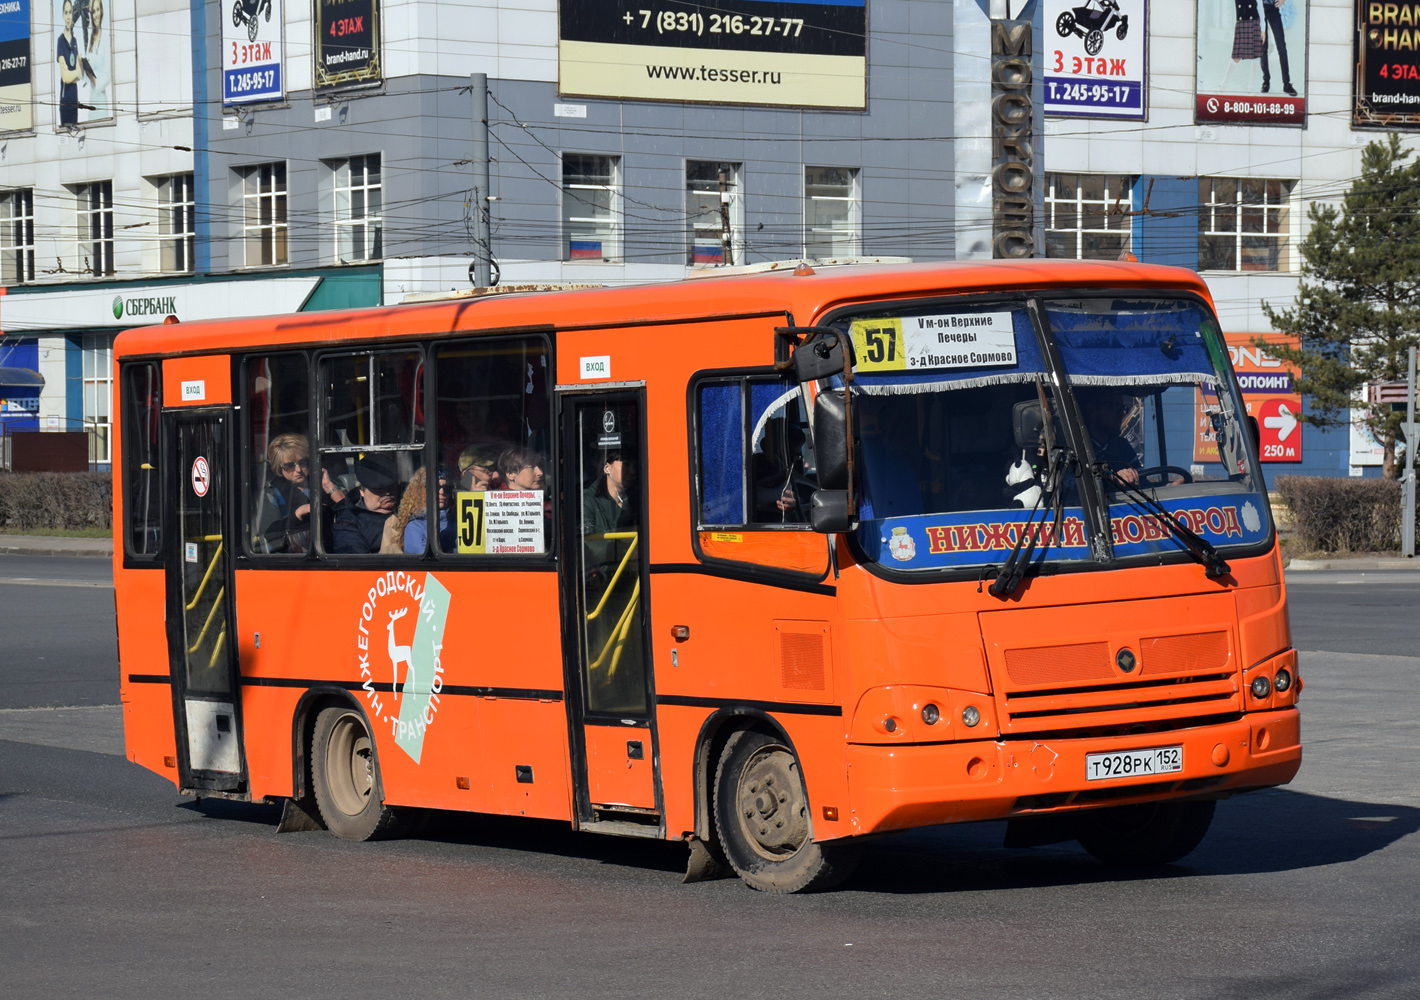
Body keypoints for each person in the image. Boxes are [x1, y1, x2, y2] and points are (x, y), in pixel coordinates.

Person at [257, 433, 314, 552]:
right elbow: (271, 536)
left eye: (303, 462)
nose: (298, 470)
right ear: (278, 468)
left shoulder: (322, 484)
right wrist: (297, 515)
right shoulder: (271, 496)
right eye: (289, 466)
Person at [333, 454, 401, 553]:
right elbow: (359, 564)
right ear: (362, 490)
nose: (387, 493)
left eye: (391, 487)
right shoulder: (348, 524)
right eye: (379, 490)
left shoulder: (412, 505)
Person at [1078, 388, 1142, 485]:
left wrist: (1168, 487)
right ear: (1092, 410)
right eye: (1114, 407)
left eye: (1122, 409)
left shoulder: (1121, 446)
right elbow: (1075, 486)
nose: (1121, 414)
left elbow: (1142, 483)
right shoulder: (1076, 447)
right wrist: (1112, 478)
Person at [401, 466, 456, 554]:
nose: (441, 492)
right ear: (420, 491)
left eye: (447, 488)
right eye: (435, 487)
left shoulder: (459, 522)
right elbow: (426, 560)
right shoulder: (414, 527)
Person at [583, 450, 635, 536]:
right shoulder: (588, 502)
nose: (633, 472)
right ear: (607, 468)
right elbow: (590, 544)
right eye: (626, 464)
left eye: (635, 466)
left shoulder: (635, 498)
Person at [80, 0, 109, 121]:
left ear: (101, 11)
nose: (95, 14)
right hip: (91, 98)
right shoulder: (91, 41)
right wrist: (81, 65)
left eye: (97, 10)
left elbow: (107, 75)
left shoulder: (106, 38)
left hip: (101, 97)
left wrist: (93, 79)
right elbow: (86, 78)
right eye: (93, 11)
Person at [1259, 0, 1295, 96]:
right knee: (1263, 47)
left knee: (1281, 47)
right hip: (1260, 9)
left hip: (1273, 8)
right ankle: (1266, 81)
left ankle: (1286, 84)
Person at [55, 0, 81, 126]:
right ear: (62, 15)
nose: (68, 16)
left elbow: (79, 76)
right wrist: (76, 72)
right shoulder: (60, 41)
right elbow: (65, 77)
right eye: (66, 13)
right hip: (65, 102)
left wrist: (75, 73)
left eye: (70, 12)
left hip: (74, 100)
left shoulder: (75, 41)